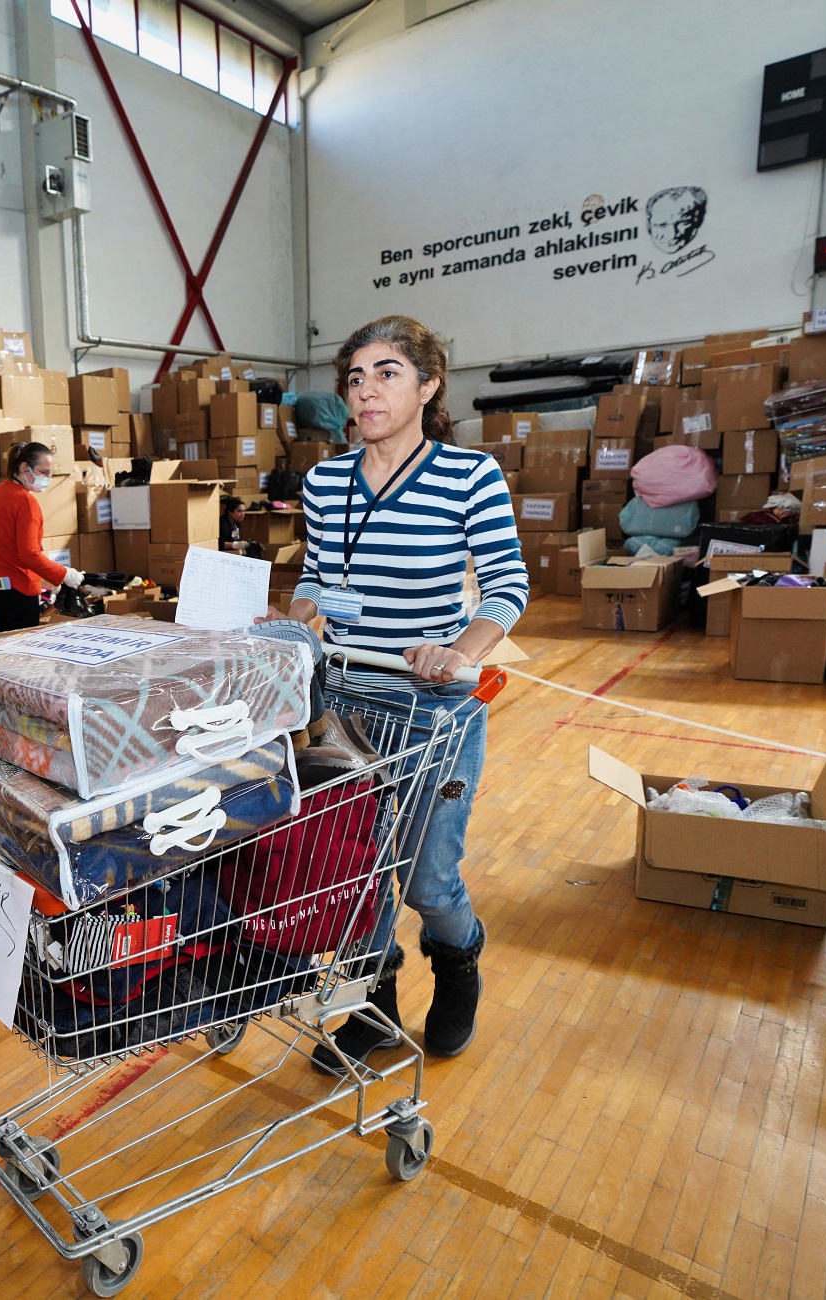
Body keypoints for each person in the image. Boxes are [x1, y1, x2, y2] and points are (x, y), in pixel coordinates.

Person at [270, 314, 527, 1074]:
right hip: (340, 703)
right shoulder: (324, 480)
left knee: (424, 876)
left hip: (429, 710)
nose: (367, 389)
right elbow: (317, 577)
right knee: (349, 868)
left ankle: (458, 966)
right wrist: (296, 618)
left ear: (427, 386)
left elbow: (508, 588)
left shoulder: (469, 475)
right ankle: (375, 1004)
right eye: (356, 376)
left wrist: (458, 650)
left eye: (387, 372)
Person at [0, 442, 83, 631]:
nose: (48, 478)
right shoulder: (26, 502)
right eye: (43, 472)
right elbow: (28, 553)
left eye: (50, 473)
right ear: (24, 468)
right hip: (18, 586)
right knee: (22, 653)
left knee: (4, 648)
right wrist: (64, 574)